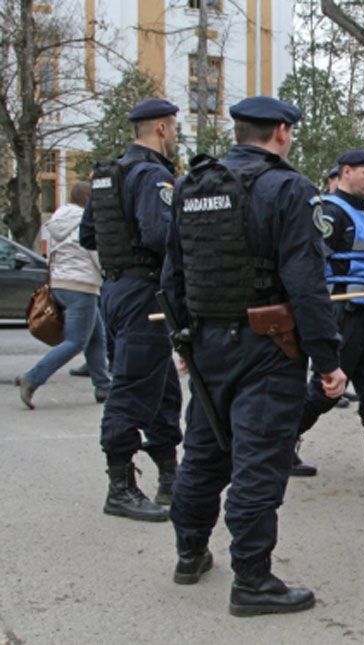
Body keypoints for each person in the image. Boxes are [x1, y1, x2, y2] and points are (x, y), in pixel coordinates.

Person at [161, 96, 346, 616]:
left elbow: (172, 275)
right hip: (267, 348)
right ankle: (252, 580)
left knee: (203, 450)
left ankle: (189, 552)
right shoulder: (288, 189)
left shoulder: (192, 186)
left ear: (239, 131)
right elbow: (307, 285)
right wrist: (328, 360)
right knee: (259, 463)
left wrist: (182, 342)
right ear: (282, 132)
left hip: (205, 344)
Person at [80, 98, 183, 522]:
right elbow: (161, 235)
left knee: (162, 387)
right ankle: (120, 486)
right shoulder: (151, 174)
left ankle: (170, 477)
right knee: (133, 388)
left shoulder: (108, 175)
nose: (176, 135)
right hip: (144, 292)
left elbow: (89, 235)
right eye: (174, 127)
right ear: (161, 128)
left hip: (117, 289)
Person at [293, 148, 364, 478]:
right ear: (346, 171)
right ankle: (280, 445)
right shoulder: (330, 213)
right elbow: (311, 264)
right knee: (327, 390)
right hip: (342, 312)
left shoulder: (363, 215)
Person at [17, 182, 110, 408]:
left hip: (61, 283)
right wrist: (110, 271)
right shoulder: (86, 223)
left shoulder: (60, 218)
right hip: (81, 284)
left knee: (97, 337)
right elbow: (96, 255)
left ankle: (104, 387)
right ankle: (32, 378)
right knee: (76, 341)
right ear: (88, 200)